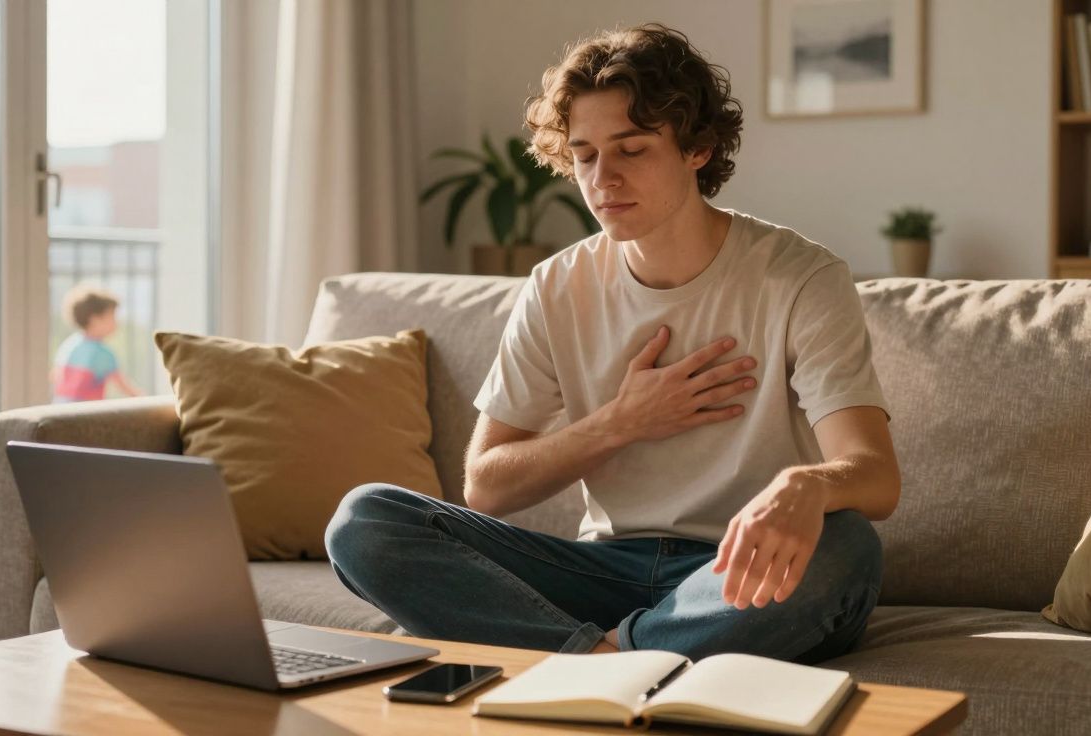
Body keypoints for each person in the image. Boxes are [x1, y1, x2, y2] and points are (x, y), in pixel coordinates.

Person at [326, 23, 901, 662]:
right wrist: (620, 423)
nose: (603, 178)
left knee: (847, 547)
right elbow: (486, 486)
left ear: (698, 148)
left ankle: (588, 661)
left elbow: (875, 476)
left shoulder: (801, 278)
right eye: (585, 155)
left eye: (631, 150)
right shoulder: (556, 286)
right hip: (603, 570)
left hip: (736, 571)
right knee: (365, 520)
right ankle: (608, 662)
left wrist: (807, 486)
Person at [51, 284, 142, 403]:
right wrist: (147, 401)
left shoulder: (68, 345)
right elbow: (125, 387)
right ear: (94, 319)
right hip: (86, 411)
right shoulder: (102, 353)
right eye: (112, 316)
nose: (116, 322)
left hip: (60, 407)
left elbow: (55, 377)